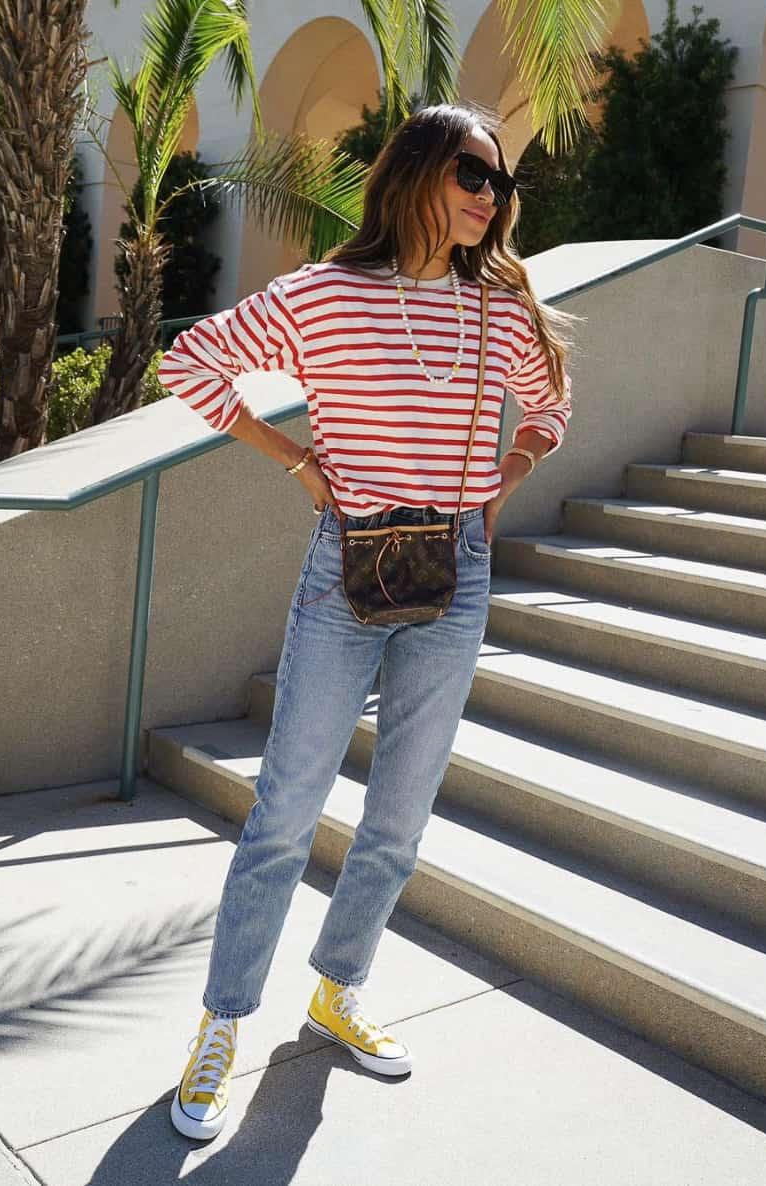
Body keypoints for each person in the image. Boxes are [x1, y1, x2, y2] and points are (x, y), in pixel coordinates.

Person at [156, 101, 574, 1141]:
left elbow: (551, 405)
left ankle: (338, 989)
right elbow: (190, 365)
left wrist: (505, 476)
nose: (492, 198)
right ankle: (222, 1021)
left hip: (456, 570)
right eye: (473, 176)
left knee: (399, 814)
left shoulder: (499, 308)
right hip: (346, 571)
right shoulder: (325, 296)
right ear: (418, 175)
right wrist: (297, 459)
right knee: (285, 812)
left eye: (501, 185)